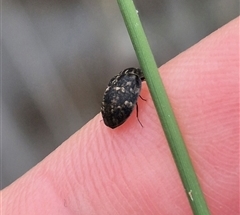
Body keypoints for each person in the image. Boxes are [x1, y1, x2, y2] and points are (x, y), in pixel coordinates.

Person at [1, 17, 239, 215]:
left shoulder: (128, 79)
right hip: (116, 113)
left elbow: (119, 91)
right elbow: (129, 96)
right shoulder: (135, 83)